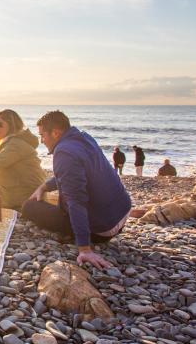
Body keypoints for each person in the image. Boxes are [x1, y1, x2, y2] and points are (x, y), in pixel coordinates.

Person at [24, 111, 132, 269]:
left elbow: (76, 201)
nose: (42, 141)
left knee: (29, 207)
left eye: (43, 135)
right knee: (59, 195)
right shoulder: (84, 138)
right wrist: (44, 186)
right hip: (121, 213)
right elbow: (77, 173)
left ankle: (86, 241)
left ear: (55, 133)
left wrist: (85, 249)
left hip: (103, 229)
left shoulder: (63, 152)